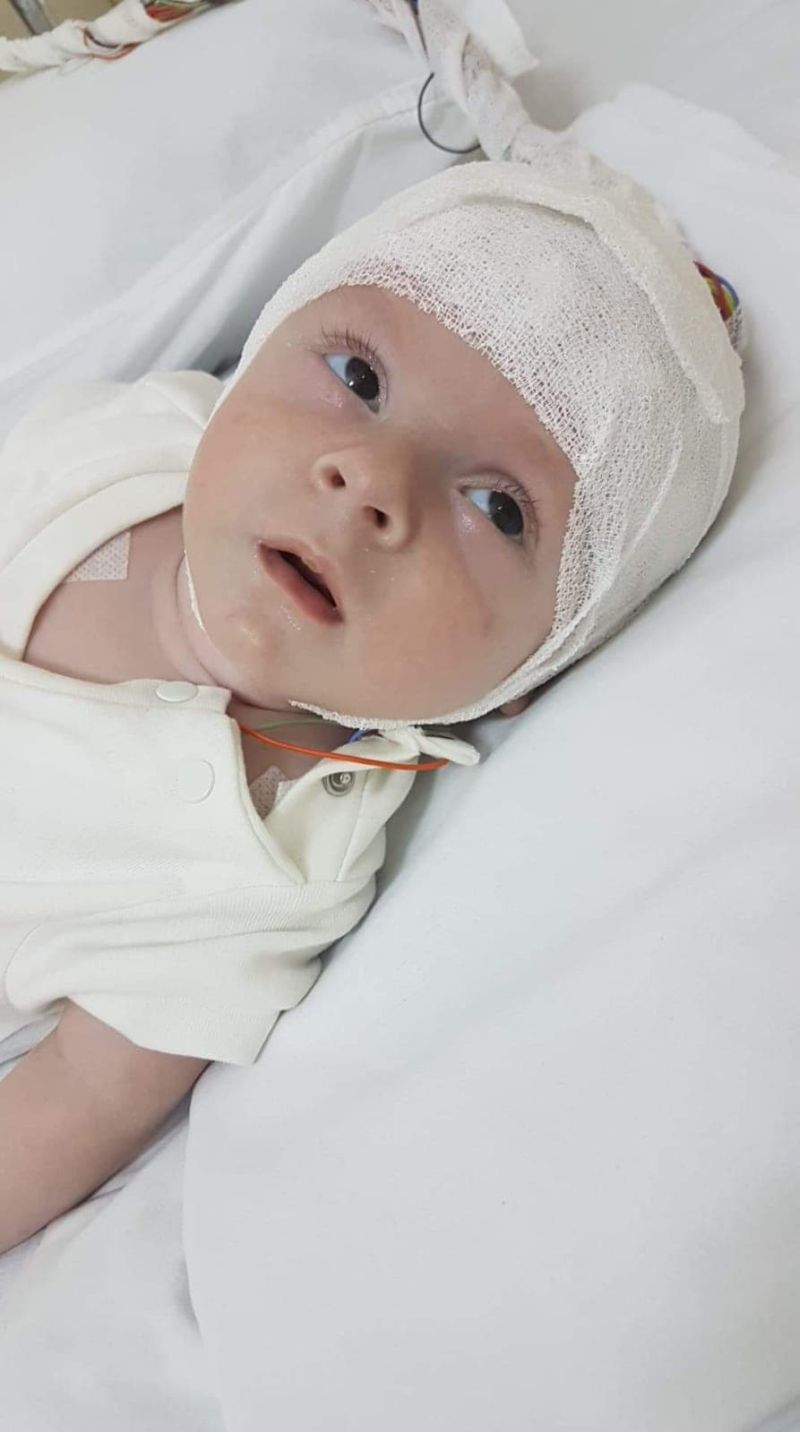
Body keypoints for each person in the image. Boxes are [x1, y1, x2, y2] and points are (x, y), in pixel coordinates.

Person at [0, 3, 744, 1255]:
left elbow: (70, 1101)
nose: (370, 482)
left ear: (523, 674)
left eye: (495, 506)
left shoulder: (265, 868)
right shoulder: (131, 442)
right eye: (355, 377)